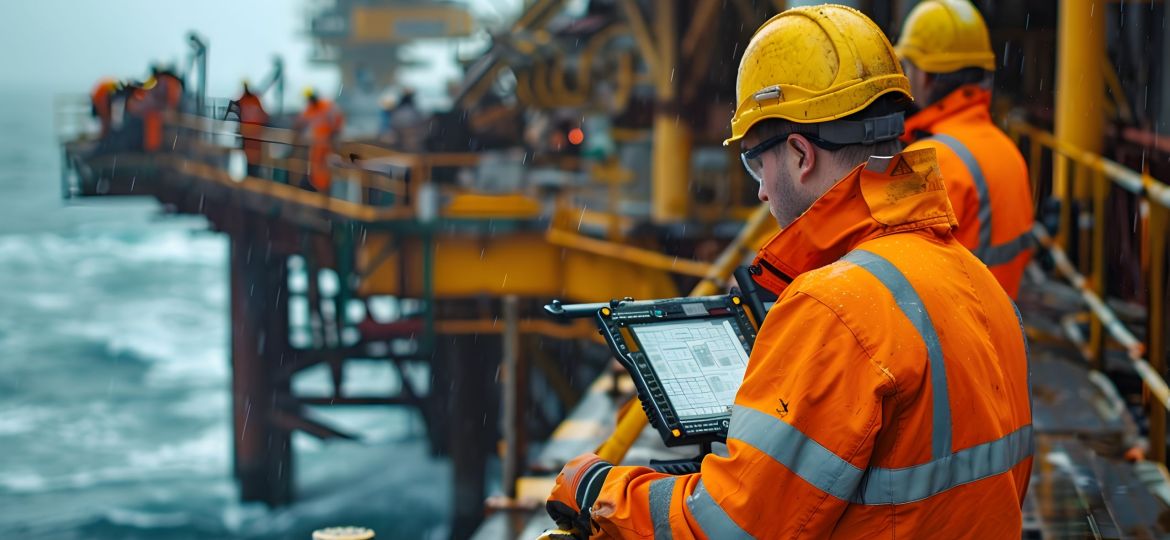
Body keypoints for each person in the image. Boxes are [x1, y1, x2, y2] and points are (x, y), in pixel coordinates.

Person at [546, 5, 1032, 538]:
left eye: (756, 161)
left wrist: (599, 490)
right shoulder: (978, 284)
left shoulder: (835, 309)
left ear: (801, 154)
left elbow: (728, 526)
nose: (758, 188)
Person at [897, 0, 1035, 299]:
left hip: (947, 337)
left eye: (908, 66)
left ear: (926, 76)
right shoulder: (1007, 150)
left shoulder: (926, 162)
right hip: (1001, 330)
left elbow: (891, 276)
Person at [294, 87, 345, 193]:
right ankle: (319, 190)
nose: (309, 101)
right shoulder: (310, 109)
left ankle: (325, 192)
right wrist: (297, 130)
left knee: (327, 169)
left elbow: (338, 120)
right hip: (317, 145)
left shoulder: (328, 106)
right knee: (316, 169)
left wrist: (334, 135)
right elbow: (301, 121)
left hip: (328, 145)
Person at [231, 80, 270, 178]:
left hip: (256, 137)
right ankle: (250, 177)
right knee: (249, 160)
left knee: (256, 160)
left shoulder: (254, 100)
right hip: (248, 137)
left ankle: (254, 177)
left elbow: (263, 116)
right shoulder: (242, 100)